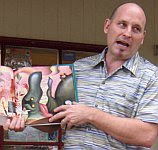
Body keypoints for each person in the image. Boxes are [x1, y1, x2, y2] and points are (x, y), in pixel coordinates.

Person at [3, 2, 158, 150]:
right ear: (107, 26)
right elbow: (54, 121)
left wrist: (91, 115)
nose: (127, 33)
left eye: (136, 29)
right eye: (122, 24)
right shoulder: (78, 69)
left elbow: (146, 135)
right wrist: (25, 119)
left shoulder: (151, 76)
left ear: (143, 37)